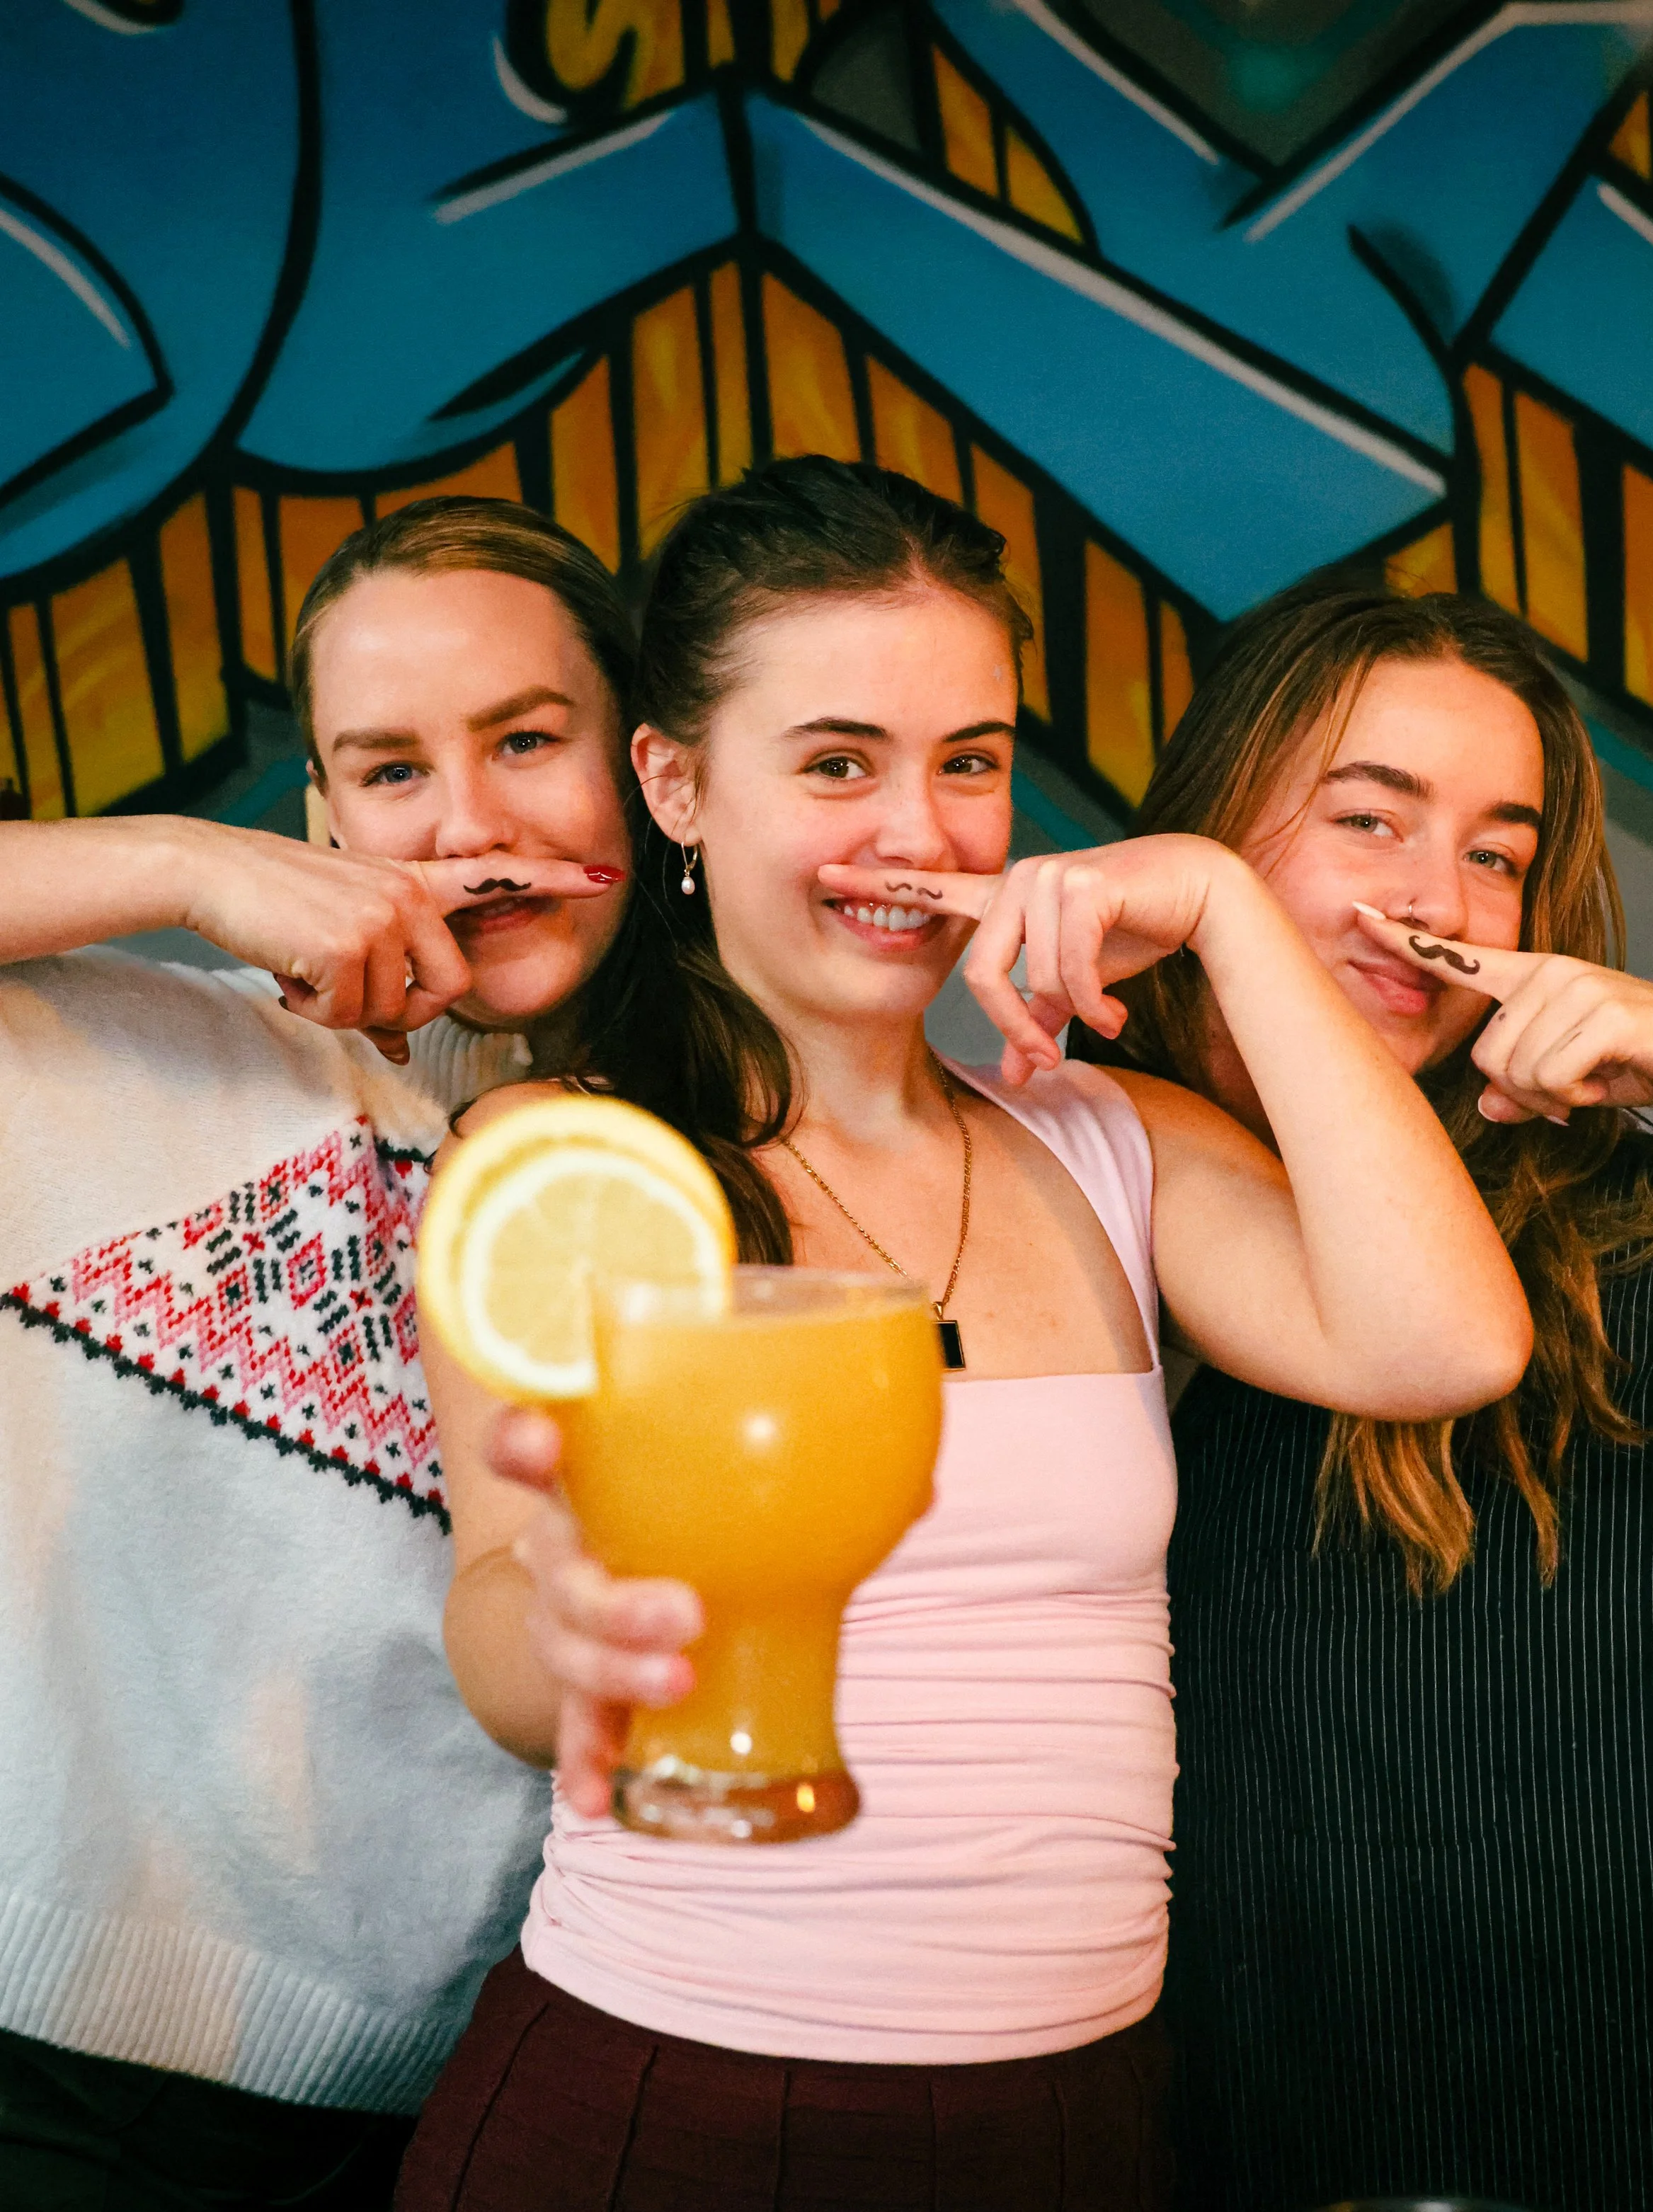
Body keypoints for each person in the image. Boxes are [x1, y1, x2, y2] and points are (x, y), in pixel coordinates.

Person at [394, 458, 1531, 2211]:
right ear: (677, 782)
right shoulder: (569, 1170)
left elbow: (1442, 1341)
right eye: (836, 763)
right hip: (667, 2101)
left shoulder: (1112, 1141)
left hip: (1076, 2121)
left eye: (970, 763)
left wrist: (1223, 906)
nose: (918, 836)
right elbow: (497, 1616)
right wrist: (568, 1630)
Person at [1074, 581, 1653, 2212]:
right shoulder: (1052, 1217)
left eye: (1494, 853)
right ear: (1201, 839)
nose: (1433, 901)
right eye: (1368, 818)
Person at [0, 497, 635, 2208]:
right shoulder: (127, 1058)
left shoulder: (732, 1159)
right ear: (318, 823)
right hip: (53, 2086)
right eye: (390, 768)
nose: (470, 821)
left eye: (527, 740)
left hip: (501, 2098)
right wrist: (178, 862)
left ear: (648, 767)